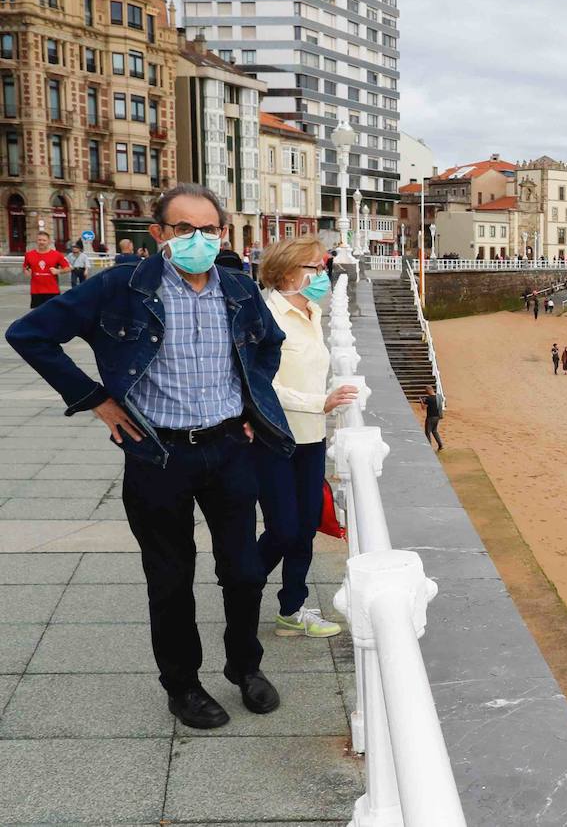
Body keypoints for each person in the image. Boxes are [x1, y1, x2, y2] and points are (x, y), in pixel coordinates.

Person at [6, 183, 293, 730]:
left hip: (229, 448)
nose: (198, 239)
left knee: (244, 570)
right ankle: (183, 686)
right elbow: (30, 334)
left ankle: (245, 666)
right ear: (160, 233)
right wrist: (96, 400)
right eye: (184, 229)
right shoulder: (121, 287)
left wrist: (252, 406)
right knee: (170, 577)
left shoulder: (237, 287)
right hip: (157, 453)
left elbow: (269, 343)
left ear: (222, 234)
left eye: (208, 229)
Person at [255, 237, 355, 641]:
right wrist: (320, 402)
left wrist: (327, 400)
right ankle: (241, 585)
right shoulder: (266, 317)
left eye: (323, 265)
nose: (323, 274)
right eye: (315, 267)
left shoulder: (312, 312)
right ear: (286, 274)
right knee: (283, 528)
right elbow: (262, 383)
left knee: (306, 526)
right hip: (274, 438)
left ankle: (292, 609)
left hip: (311, 438)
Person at [23, 231, 70, 309]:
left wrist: (58, 271)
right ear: (36, 241)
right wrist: (26, 272)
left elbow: (68, 268)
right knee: (38, 313)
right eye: (39, 240)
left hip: (52, 290)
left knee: (53, 313)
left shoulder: (57, 255)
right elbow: (25, 267)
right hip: (36, 291)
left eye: (44, 240)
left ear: (49, 241)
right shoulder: (29, 255)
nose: (41, 242)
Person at [422, 385, 443, 451]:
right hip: (437, 416)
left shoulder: (428, 398)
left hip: (430, 417)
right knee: (434, 431)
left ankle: (429, 447)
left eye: (426, 391)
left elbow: (423, 408)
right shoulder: (438, 397)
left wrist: (422, 402)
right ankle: (440, 445)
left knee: (427, 432)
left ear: (428, 390)